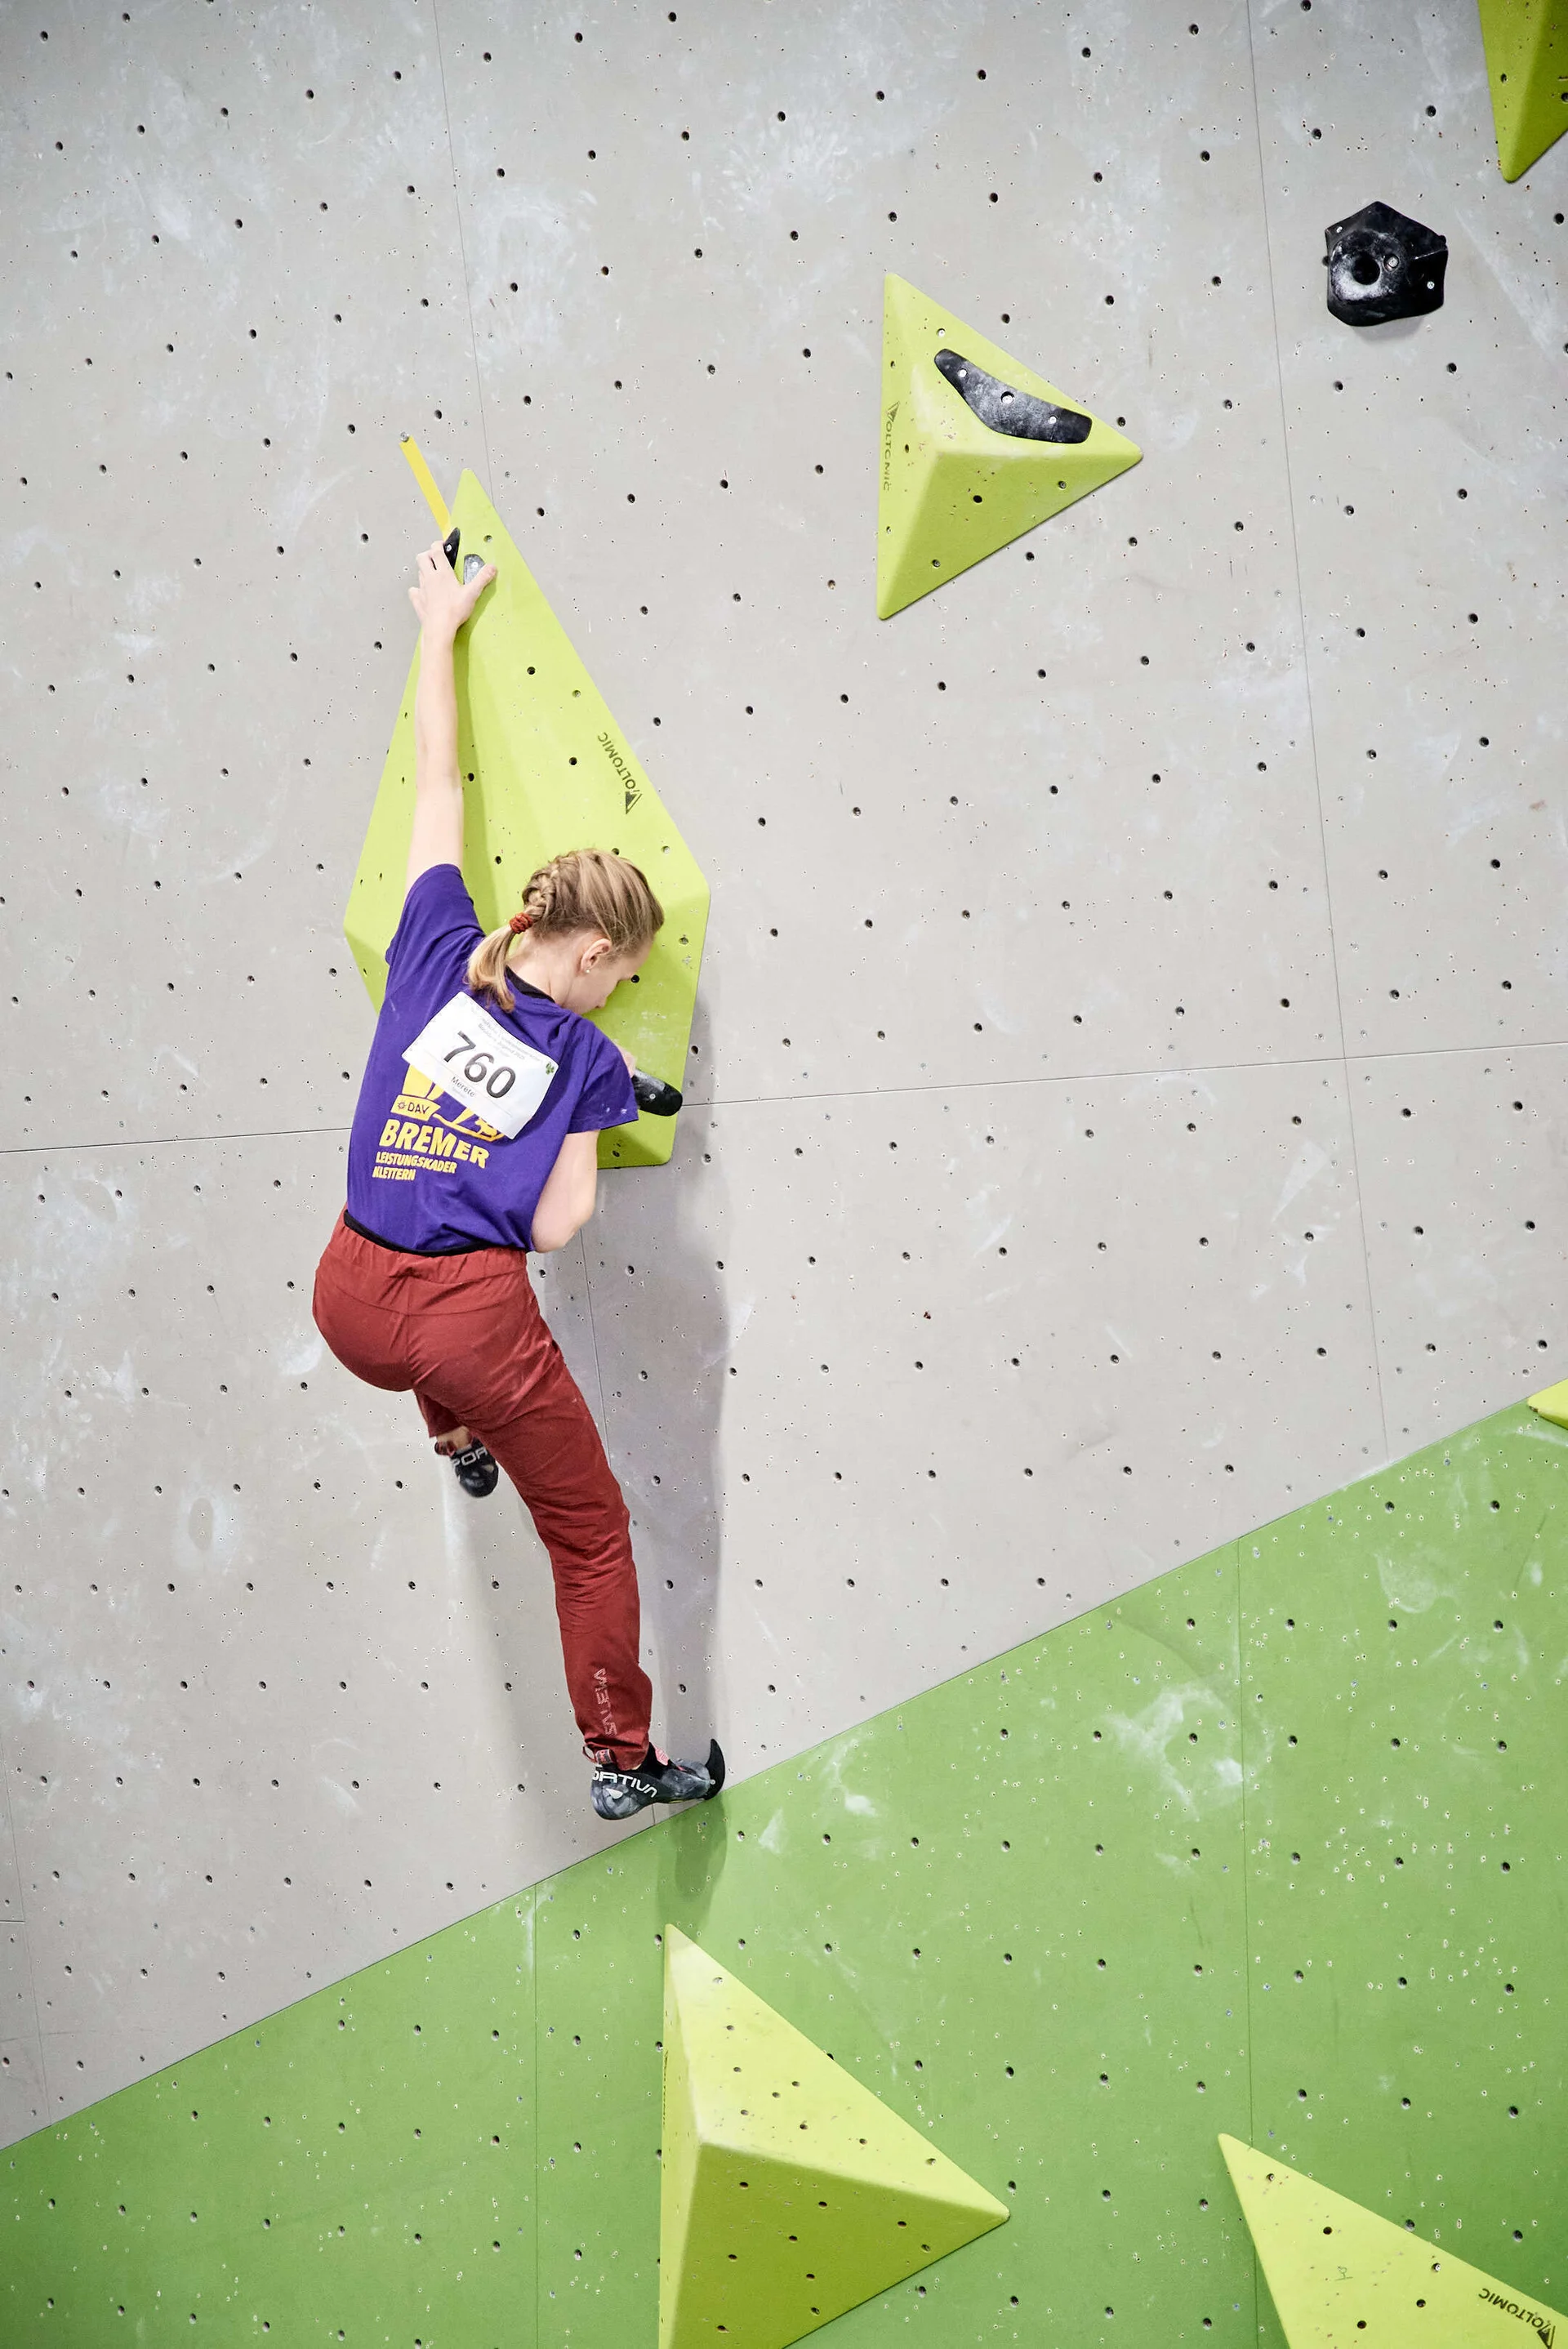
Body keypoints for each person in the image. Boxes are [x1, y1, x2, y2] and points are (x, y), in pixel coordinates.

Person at [312, 538, 722, 1823]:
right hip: (465, 1326)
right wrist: (589, 1109)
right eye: (626, 973)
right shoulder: (585, 1055)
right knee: (591, 1533)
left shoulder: (437, 942)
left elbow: (441, 782)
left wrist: (439, 625)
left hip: (343, 1298)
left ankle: (449, 1437)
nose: (625, 995)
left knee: (429, 1349)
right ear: (595, 951)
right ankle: (622, 1759)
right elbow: (560, 1221)